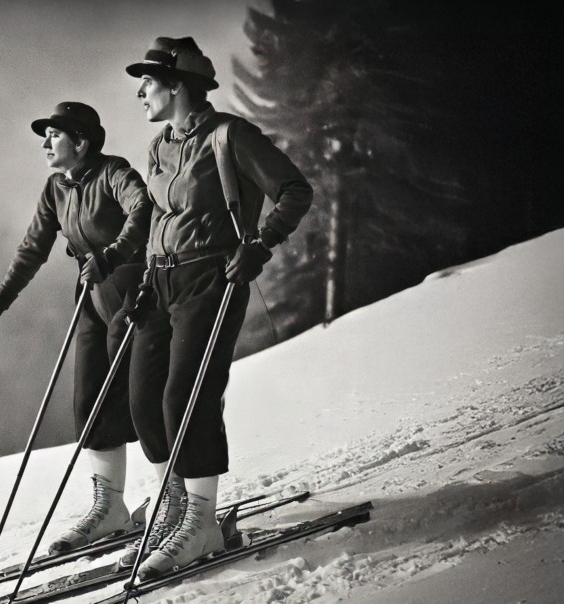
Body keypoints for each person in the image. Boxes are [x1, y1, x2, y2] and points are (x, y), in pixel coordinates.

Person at [120, 38, 314, 579]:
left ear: (178, 85)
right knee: (142, 402)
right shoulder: (159, 146)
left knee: (187, 395)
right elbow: (159, 218)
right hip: (159, 284)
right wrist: (141, 277)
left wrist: (261, 242)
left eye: (149, 81)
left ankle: (201, 521)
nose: (141, 91)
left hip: (212, 278)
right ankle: (173, 508)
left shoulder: (231, 136)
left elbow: (295, 189)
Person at [0, 102, 154, 554]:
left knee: (143, 398)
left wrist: (112, 253)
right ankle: (110, 507)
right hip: (92, 299)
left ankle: (177, 503)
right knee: (89, 401)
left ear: (82, 142)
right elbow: (33, 249)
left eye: (54, 135)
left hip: (131, 292)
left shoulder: (114, 172)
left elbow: (143, 208)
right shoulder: (57, 187)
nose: (45, 144)